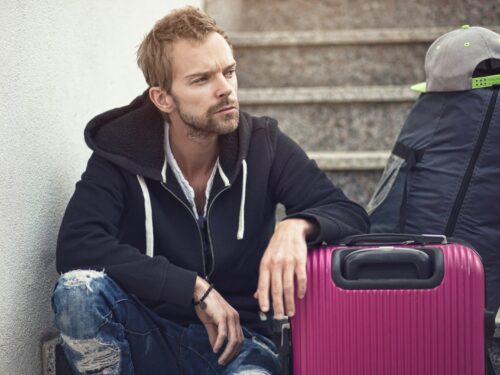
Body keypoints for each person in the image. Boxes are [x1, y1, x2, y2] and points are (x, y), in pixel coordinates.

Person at [51, 6, 369, 375]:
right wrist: (191, 287)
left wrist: (296, 226)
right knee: (78, 291)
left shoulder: (263, 144)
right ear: (163, 98)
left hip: (240, 347)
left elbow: (351, 215)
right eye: (201, 79)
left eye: (229, 72)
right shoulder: (120, 154)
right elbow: (77, 245)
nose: (225, 89)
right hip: (148, 333)